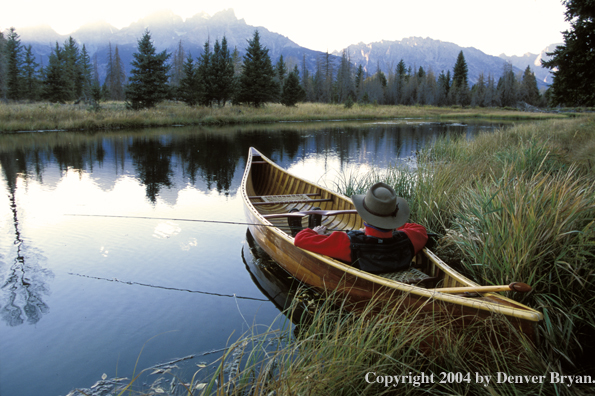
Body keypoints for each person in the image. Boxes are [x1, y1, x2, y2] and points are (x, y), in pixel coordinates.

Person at [293, 182, 427, 273]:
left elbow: (300, 239)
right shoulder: (410, 238)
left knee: (302, 233)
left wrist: (314, 231)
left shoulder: (345, 242)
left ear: (365, 216)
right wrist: (393, 223)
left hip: (362, 272)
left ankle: (300, 226)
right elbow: (419, 229)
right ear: (394, 218)